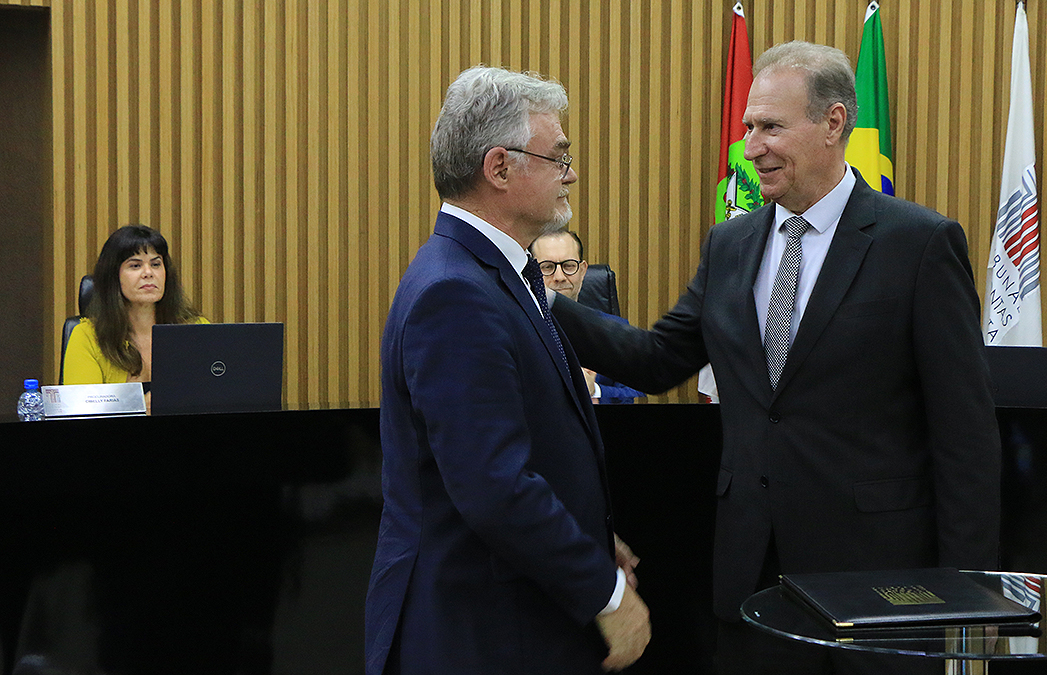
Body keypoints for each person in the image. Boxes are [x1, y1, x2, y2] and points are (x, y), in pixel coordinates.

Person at [552, 41, 1001, 674]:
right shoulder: (730, 243)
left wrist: (965, 600)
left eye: (770, 127)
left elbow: (966, 435)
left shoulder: (918, 244)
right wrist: (540, 298)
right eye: (747, 128)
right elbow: (657, 359)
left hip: (876, 583)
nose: (751, 147)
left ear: (834, 123)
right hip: (752, 578)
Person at [364, 66, 650, 675]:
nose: (571, 173)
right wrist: (604, 591)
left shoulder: (493, 274)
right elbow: (495, 486)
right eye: (558, 155)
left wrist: (593, 544)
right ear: (499, 168)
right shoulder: (456, 293)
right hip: (478, 632)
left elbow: (535, 442)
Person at [62, 224, 206, 393]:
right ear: (114, 276)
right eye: (135, 266)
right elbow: (82, 412)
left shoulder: (197, 329)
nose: (148, 273)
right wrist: (140, 408)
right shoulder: (88, 338)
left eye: (156, 264)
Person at [531, 228, 644, 404]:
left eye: (568, 266)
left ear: (583, 271)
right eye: (547, 267)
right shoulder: (518, 331)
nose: (559, 277)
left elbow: (634, 394)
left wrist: (594, 391)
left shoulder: (614, 329)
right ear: (531, 273)